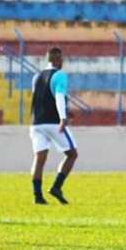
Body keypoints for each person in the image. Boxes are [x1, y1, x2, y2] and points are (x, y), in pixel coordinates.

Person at [29, 47, 77, 205]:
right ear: (57, 60)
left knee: (39, 158)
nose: (63, 62)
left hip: (36, 123)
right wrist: (63, 117)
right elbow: (58, 97)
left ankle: (37, 196)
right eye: (61, 59)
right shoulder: (60, 75)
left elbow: (39, 99)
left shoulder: (37, 77)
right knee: (72, 154)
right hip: (53, 122)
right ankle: (56, 187)